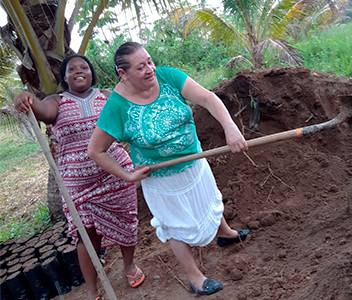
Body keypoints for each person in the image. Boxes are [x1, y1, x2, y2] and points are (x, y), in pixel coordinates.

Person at [88, 42, 250, 296]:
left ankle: (225, 233)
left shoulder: (168, 76)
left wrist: (230, 127)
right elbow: (95, 150)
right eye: (140, 67)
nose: (150, 69)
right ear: (123, 74)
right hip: (161, 179)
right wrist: (128, 176)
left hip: (195, 160)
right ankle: (195, 277)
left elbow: (207, 98)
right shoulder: (117, 107)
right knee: (175, 226)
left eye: (150, 61)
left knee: (210, 198)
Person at [14, 55, 149, 300]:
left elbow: (132, 116)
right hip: (78, 185)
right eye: (72, 69)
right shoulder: (57, 101)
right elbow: (42, 111)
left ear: (91, 73)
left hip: (117, 176)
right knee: (85, 235)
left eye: (84, 67)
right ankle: (92, 289)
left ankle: (129, 266)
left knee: (127, 222)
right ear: (64, 77)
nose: (79, 71)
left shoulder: (107, 96)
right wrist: (27, 100)